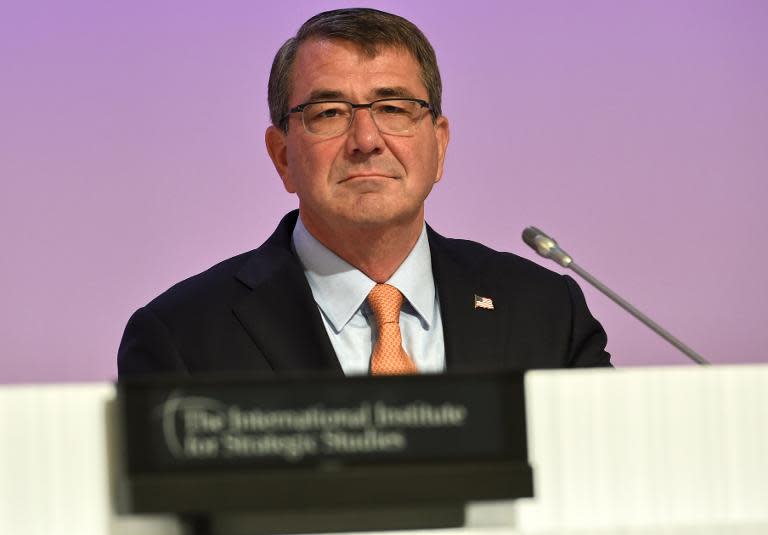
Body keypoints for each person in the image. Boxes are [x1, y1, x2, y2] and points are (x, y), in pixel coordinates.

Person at [118, 8, 610, 378]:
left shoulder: (545, 310)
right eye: (329, 113)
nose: (366, 141)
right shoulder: (181, 337)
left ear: (438, 144)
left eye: (394, 108)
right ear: (283, 156)